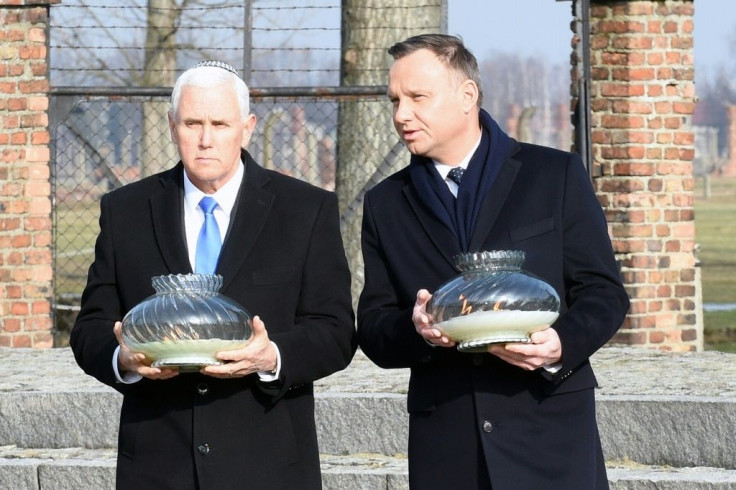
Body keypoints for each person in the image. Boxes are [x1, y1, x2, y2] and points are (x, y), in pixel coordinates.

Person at [357, 34, 630, 489]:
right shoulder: (385, 204)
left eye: (417, 97)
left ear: (468, 96)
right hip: (447, 449)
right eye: (395, 100)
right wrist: (417, 330)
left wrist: (559, 344)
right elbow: (373, 327)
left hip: (550, 436)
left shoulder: (555, 175)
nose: (401, 114)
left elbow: (605, 293)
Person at [70, 60, 356, 490]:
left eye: (220, 123)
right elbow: (89, 328)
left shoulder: (305, 210)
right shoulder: (124, 211)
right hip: (156, 465)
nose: (205, 139)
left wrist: (271, 356)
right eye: (192, 123)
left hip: (268, 466)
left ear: (247, 128)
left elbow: (335, 331)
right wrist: (122, 359)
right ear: (171, 126)